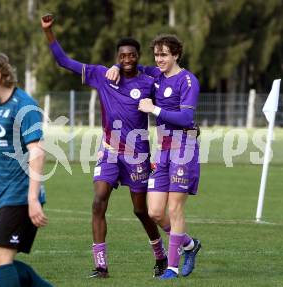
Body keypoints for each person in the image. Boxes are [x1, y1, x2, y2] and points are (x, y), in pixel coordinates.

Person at [41, 14, 169, 278]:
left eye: (131, 55)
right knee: (98, 202)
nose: (127, 60)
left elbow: (167, 79)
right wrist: (49, 31)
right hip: (109, 151)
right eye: (122, 56)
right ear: (117, 57)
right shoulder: (102, 75)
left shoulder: (148, 81)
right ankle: (101, 266)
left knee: (140, 210)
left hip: (137, 155)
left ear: (138, 56)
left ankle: (161, 256)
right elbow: (63, 61)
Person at [106, 34, 202, 280]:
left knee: (175, 208)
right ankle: (190, 245)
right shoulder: (155, 75)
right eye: (157, 55)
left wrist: (154, 109)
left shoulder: (188, 81)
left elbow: (186, 119)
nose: (159, 59)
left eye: (165, 55)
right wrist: (116, 66)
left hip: (184, 147)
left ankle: (171, 268)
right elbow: (131, 65)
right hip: (163, 149)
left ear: (176, 55)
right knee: (155, 212)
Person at [0, 49, 53, 287]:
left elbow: (37, 152)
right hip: (2, 194)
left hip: (21, 195)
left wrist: (33, 197)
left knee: (2, 260)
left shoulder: (24, 105)